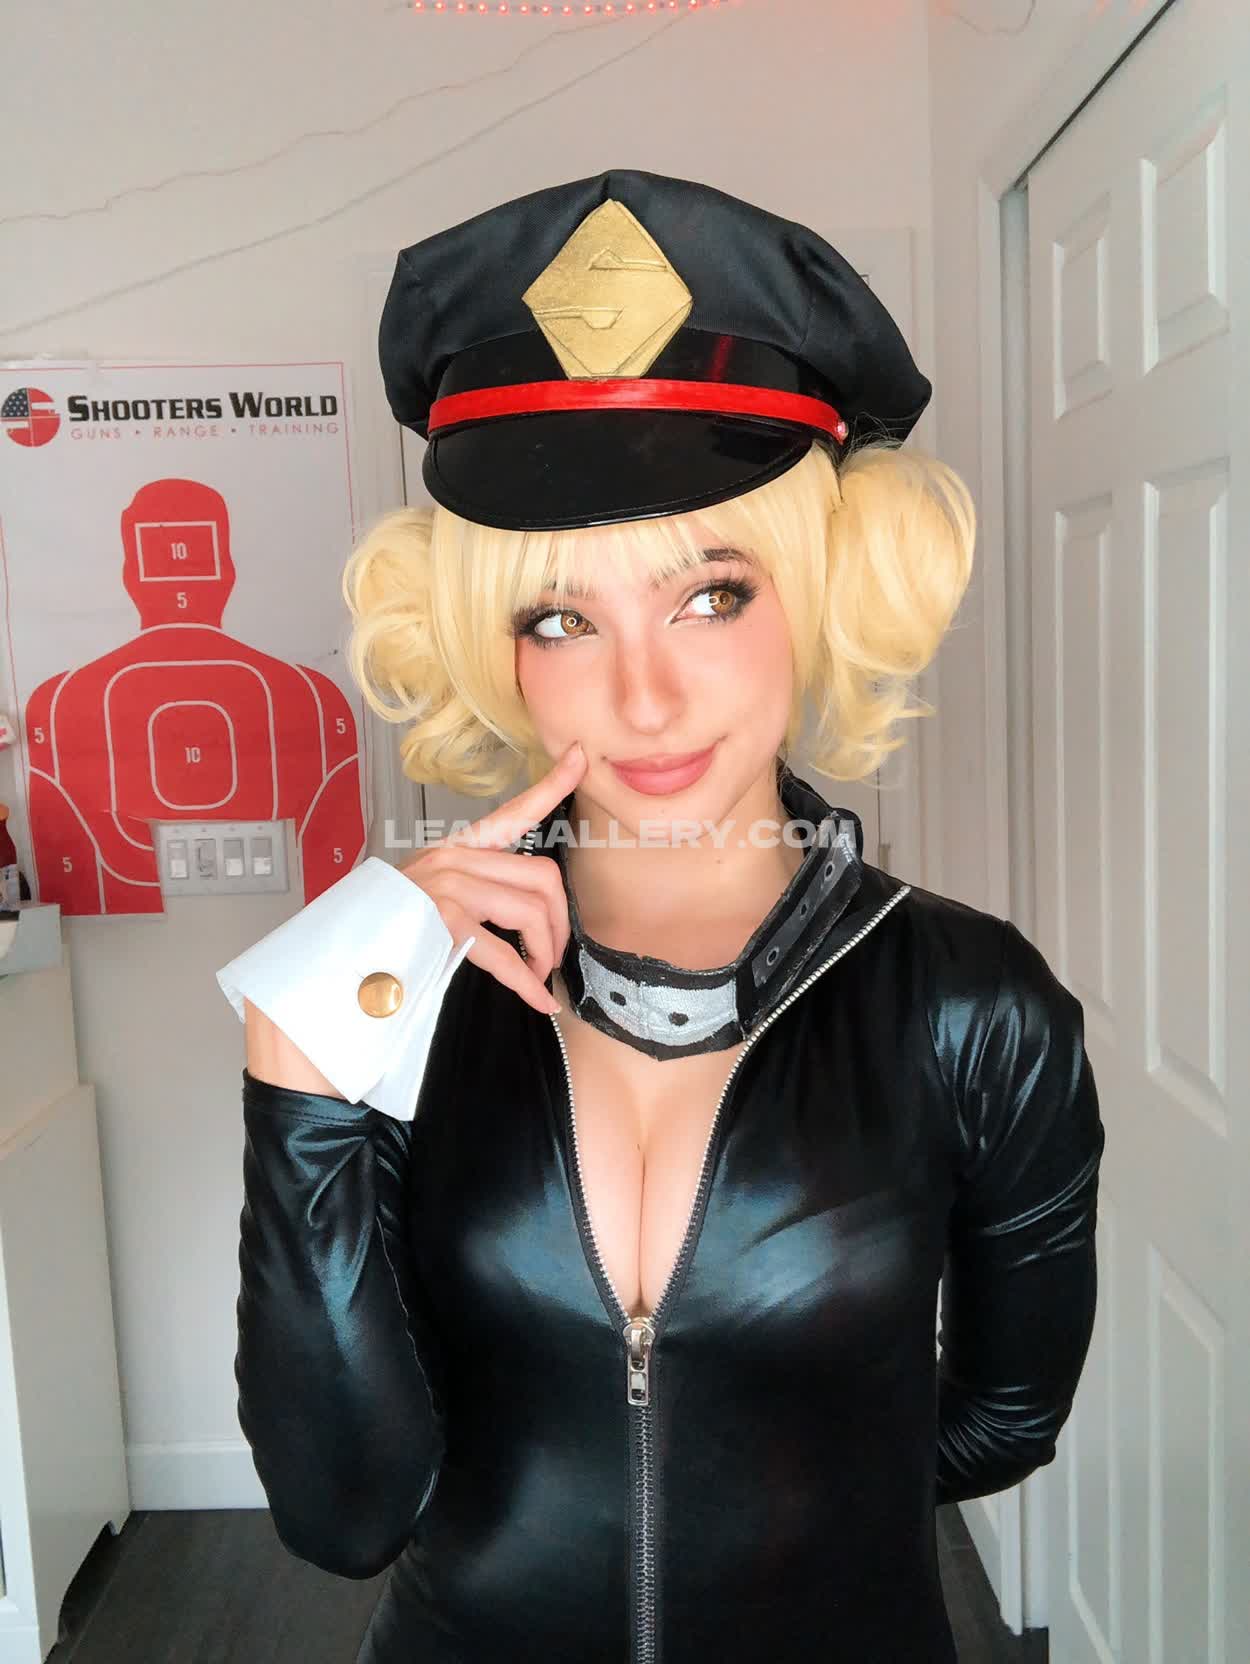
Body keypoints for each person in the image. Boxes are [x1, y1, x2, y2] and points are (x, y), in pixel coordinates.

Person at [216, 168, 1105, 1663]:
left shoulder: (973, 1003)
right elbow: (344, 1512)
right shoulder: (395, 992)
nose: (643, 695)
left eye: (711, 596)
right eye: (562, 619)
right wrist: (299, 1063)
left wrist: (785, 1525)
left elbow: (1004, 1420)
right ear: (494, 646)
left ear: (819, 592)